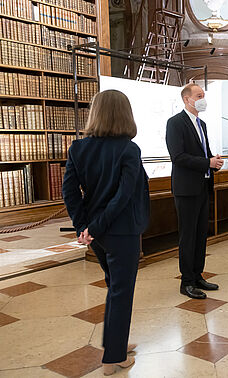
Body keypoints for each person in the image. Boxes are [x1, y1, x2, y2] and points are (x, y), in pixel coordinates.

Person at [62, 90, 150, 375]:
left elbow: (70, 193)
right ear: (125, 113)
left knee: (115, 287)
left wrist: (83, 227)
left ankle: (116, 343)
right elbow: (123, 196)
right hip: (121, 232)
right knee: (122, 292)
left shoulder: (78, 148)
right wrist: (93, 227)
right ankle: (113, 359)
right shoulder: (129, 149)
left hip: (96, 235)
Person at [166, 83, 223, 300]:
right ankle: (186, 281)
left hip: (202, 186)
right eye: (199, 95)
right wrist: (206, 162)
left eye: (203, 95)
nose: (203, 98)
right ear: (187, 99)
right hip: (186, 188)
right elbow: (178, 157)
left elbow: (204, 153)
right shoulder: (175, 123)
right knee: (188, 236)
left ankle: (198, 275)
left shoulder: (202, 124)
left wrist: (214, 162)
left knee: (200, 235)